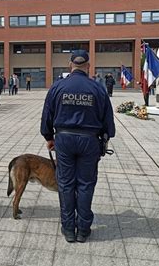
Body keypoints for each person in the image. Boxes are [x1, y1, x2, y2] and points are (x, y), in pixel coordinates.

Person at [41, 50, 115, 243]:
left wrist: (49, 137)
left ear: (69, 65)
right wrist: (105, 139)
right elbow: (108, 122)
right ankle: (83, 229)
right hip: (89, 141)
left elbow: (46, 117)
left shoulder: (58, 87)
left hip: (64, 140)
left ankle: (68, 229)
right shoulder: (97, 89)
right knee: (85, 184)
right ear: (88, 66)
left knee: (65, 184)